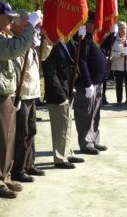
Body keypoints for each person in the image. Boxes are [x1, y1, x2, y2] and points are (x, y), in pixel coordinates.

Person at [0, 0, 41, 199]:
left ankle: (4, 178)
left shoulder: (1, 35)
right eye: (8, 17)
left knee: (9, 138)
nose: (11, 21)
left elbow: (17, 50)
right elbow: (13, 49)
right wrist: (29, 26)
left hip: (6, 93)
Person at [11, 9, 53, 183]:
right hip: (22, 93)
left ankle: (29, 163)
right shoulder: (16, 43)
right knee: (22, 133)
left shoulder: (31, 42)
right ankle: (18, 169)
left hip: (33, 93)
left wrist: (46, 36)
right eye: (29, 24)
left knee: (32, 131)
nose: (33, 28)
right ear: (20, 24)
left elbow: (44, 54)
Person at [42, 38, 85, 169]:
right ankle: (60, 157)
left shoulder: (66, 42)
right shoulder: (50, 45)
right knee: (60, 127)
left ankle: (67, 152)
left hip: (67, 89)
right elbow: (50, 73)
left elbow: (72, 63)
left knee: (67, 125)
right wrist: (60, 95)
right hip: (57, 94)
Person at [74, 11, 110, 155]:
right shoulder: (82, 39)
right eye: (94, 22)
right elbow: (81, 61)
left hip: (98, 83)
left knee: (95, 114)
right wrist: (88, 82)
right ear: (87, 22)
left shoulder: (91, 38)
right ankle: (85, 142)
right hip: (87, 84)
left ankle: (93, 139)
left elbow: (101, 51)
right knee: (85, 114)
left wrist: (111, 36)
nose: (97, 25)